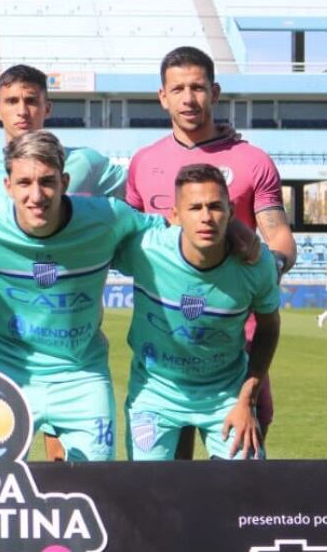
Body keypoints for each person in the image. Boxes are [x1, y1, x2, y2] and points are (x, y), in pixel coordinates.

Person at [0, 131, 178, 461]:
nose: (36, 195)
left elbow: (171, 234)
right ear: (8, 186)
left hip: (82, 376)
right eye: (24, 182)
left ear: (64, 181)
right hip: (7, 373)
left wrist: (234, 233)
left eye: (47, 181)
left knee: (95, 486)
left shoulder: (107, 217)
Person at [126, 45, 296, 455]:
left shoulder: (251, 160)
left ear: (215, 93)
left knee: (241, 474)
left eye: (198, 88)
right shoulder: (144, 163)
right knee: (171, 476)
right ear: (162, 97)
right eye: (178, 89)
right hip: (167, 342)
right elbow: (127, 234)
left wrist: (260, 259)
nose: (189, 98)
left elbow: (283, 243)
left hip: (238, 341)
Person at [0, 64, 126, 460]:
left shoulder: (86, 164)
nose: (23, 111)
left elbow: (145, 196)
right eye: (12, 101)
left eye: (31, 100)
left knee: (65, 469)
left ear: (47, 106)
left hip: (67, 344)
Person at [114, 164, 280, 460]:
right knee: (147, 492)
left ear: (230, 211)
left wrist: (247, 399)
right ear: (175, 215)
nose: (206, 217)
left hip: (225, 394)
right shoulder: (144, 249)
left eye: (215, 206)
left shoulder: (256, 264)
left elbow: (268, 328)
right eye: (195, 207)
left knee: (246, 488)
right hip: (156, 392)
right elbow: (86, 244)